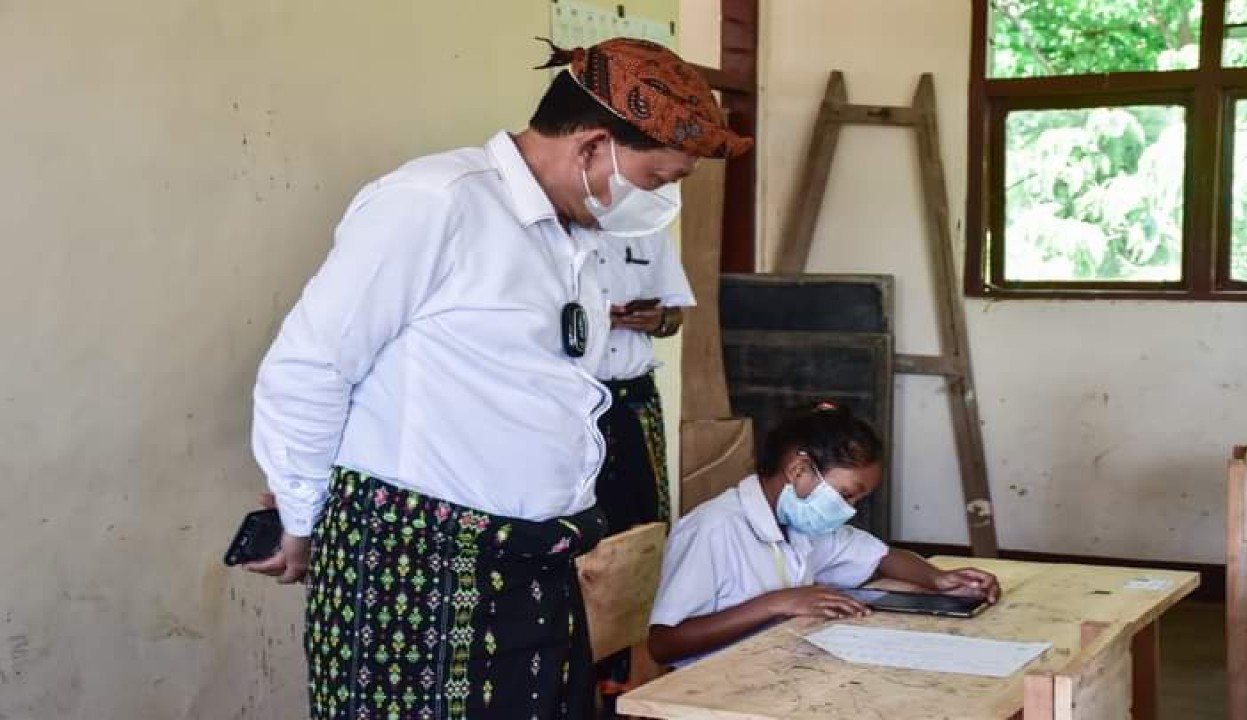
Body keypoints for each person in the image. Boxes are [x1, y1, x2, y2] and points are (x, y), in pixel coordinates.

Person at [244, 37, 751, 720]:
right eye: (659, 180)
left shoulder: (575, 235)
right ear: (592, 146)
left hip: (537, 564)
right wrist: (302, 519)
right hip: (416, 569)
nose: (661, 200)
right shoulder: (435, 204)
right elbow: (309, 368)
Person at [646, 402, 1001, 667]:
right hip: (714, 689)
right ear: (800, 470)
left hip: (777, 669)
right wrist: (778, 602)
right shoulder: (714, 529)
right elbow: (664, 644)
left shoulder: (800, 524)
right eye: (847, 494)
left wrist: (938, 580)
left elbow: (881, 556)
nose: (851, 509)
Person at [592, 230, 693, 713]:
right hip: (574, 398)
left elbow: (675, 316)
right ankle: (581, 671)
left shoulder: (647, 226)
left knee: (644, 528)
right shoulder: (557, 226)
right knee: (581, 530)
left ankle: (629, 672)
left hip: (634, 397)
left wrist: (655, 319)